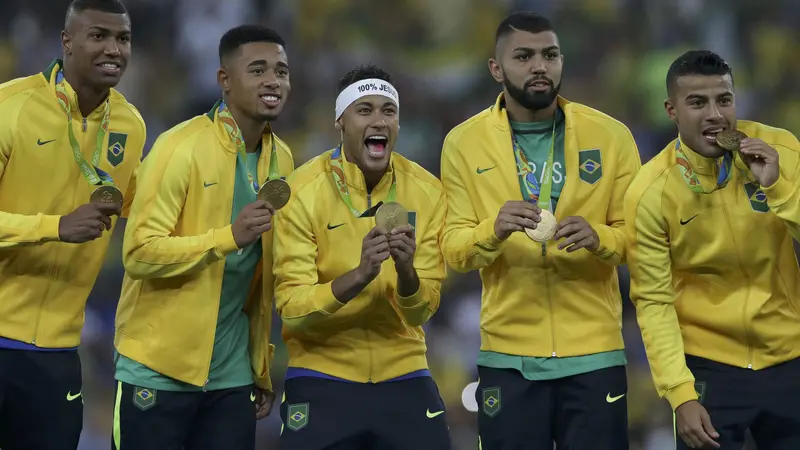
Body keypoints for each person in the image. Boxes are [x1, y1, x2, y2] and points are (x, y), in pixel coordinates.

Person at [440, 11, 641, 450]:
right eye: (524, 56)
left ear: (561, 61)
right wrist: (491, 230)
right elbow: (453, 250)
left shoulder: (612, 137)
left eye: (550, 55)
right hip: (508, 355)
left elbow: (641, 242)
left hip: (594, 354)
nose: (539, 66)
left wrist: (600, 238)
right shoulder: (462, 142)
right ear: (497, 69)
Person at [111, 25, 294, 450]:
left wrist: (258, 367)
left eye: (282, 71)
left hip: (232, 378)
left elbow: (258, 276)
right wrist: (228, 236)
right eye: (258, 69)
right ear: (224, 81)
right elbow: (138, 252)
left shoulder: (281, 158)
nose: (273, 80)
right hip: (157, 370)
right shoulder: (178, 148)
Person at [625, 49, 800, 450]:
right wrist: (680, 394)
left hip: (791, 356)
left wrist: (777, 188)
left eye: (724, 100)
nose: (714, 115)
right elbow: (653, 301)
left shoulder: (782, 150)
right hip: (710, 368)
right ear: (672, 110)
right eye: (697, 103)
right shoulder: (650, 191)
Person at [272, 64, 452, 450]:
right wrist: (359, 275)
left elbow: (423, 311)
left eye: (389, 111)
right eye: (365, 109)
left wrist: (406, 273)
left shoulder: (428, 191)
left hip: (404, 372)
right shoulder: (301, 192)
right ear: (341, 121)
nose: (379, 121)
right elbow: (291, 309)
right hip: (322, 375)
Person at [0, 0, 144, 448]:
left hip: (59, 353)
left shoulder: (130, 125)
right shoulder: (11, 107)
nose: (113, 49)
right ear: (66, 41)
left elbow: (141, 210)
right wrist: (55, 226)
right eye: (98, 35)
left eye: (122, 38)